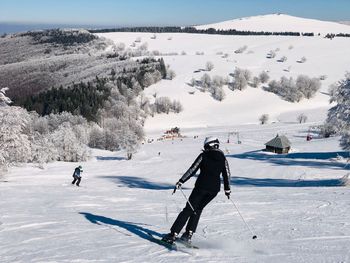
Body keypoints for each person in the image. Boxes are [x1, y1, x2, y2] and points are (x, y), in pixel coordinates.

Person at [162, 136, 231, 244]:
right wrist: (227, 189)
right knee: (197, 209)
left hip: (201, 187)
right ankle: (188, 235)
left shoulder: (204, 156)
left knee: (188, 210)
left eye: (206, 146)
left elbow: (192, 169)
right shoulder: (223, 157)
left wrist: (181, 181)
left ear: (209, 145)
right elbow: (227, 174)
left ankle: (173, 234)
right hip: (213, 191)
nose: (205, 148)